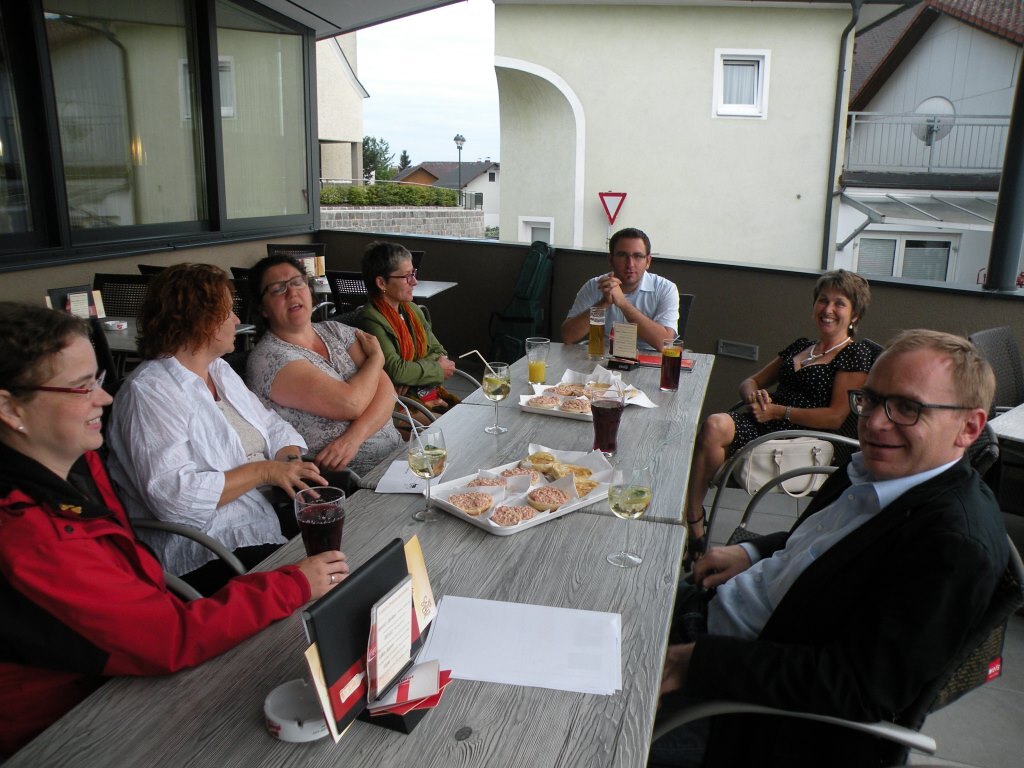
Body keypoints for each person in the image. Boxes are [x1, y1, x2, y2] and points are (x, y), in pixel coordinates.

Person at [0, 303, 348, 758]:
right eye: (82, 387)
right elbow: (167, 639)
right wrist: (294, 583)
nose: (104, 399)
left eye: (98, 381)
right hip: (68, 731)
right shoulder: (27, 535)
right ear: (10, 407)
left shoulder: (75, 464)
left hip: (129, 656)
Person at [653, 329, 1008, 767]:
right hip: (712, 614)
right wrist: (752, 553)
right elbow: (829, 547)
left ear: (968, 427)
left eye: (907, 408)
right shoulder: (876, 469)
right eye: (871, 400)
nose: (874, 423)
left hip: (744, 712)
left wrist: (697, 663)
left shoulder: (952, 546)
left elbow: (856, 688)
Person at [106, 264, 328, 595]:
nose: (237, 320)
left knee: (350, 535)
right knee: (327, 578)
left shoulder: (219, 371)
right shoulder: (149, 393)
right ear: (201, 321)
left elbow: (271, 424)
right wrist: (265, 471)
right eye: (227, 313)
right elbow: (173, 498)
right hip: (210, 548)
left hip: (266, 515)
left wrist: (289, 464)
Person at [683, 269, 873, 562]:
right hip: (765, 421)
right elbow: (750, 382)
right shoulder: (802, 346)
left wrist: (778, 411)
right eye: (823, 300)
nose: (828, 309)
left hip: (797, 438)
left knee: (714, 429)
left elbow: (835, 417)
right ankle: (694, 519)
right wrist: (755, 397)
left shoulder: (854, 354)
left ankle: (693, 523)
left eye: (839, 304)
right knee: (713, 427)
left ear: (855, 315)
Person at [246, 254, 402, 475]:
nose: (292, 292)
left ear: (309, 289)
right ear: (262, 308)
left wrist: (354, 438)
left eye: (297, 282)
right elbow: (350, 403)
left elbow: (387, 391)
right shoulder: (269, 359)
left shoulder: (334, 330)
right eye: (277, 289)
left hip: (397, 457)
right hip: (351, 480)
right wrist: (377, 358)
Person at [357, 241, 459, 414]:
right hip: (399, 405)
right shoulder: (371, 319)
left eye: (413, 273)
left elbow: (439, 351)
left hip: (424, 394)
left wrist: (412, 377)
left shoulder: (411, 310)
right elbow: (396, 370)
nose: (414, 281)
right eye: (406, 276)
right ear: (381, 283)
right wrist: (436, 369)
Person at [561, 227, 679, 352]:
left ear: (648, 261)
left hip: (648, 358)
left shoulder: (666, 289)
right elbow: (568, 337)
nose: (630, 264)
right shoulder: (594, 286)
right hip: (605, 357)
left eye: (638, 256)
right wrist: (603, 303)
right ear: (611, 260)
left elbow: (664, 344)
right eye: (623, 256)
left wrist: (623, 304)